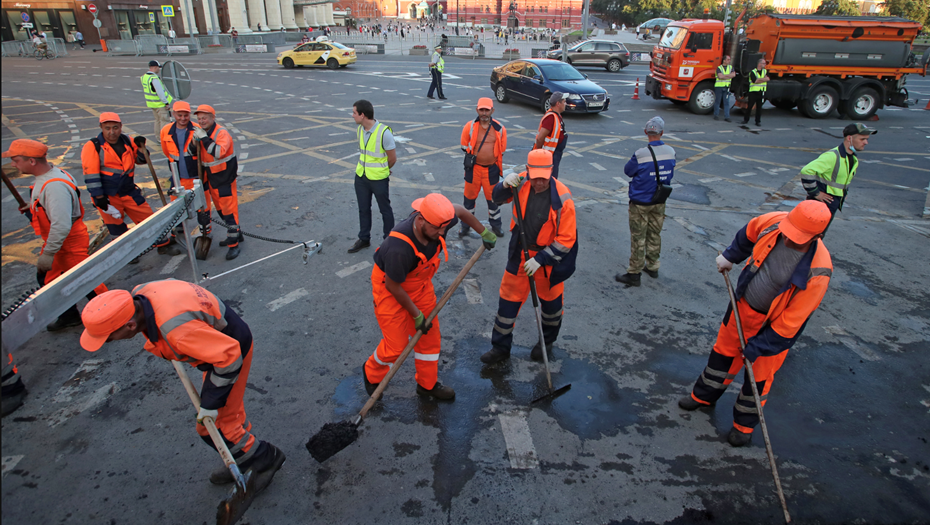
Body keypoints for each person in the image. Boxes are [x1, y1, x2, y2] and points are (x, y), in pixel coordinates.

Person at [79, 281, 286, 489]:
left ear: (130, 325)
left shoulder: (177, 330)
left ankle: (264, 459)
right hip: (219, 344)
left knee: (215, 428)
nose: (110, 341)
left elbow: (229, 359)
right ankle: (243, 457)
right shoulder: (141, 293)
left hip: (229, 353)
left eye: (109, 338)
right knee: (226, 417)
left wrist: (211, 404)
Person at [678, 201, 833, 447]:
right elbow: (747, 233)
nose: (790, 239)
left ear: (819, 236)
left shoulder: (819, 270)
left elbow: (792, 321)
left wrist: (760, 345)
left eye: (798, 238)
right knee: (722, 356)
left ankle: (743, 426)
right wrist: (730, 256)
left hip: (774, 328)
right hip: (743, 307)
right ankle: (703, 396)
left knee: (758, 377)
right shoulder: (773, 222)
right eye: (789, 232)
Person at [1, 140, 110, 416]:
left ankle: (110, 317)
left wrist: (49, 253)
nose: (13, 164)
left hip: (65, 242)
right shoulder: (47, 178)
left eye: (16, 160)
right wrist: (34, 209)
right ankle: (72, 316)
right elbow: (51, 210)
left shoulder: (55, 186)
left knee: (87, 282)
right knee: (50, 283)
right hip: (60, 240)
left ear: (32, 161)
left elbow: (61, 222)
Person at [364, 194, 497, 400]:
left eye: (444, 227)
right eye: (437, 228)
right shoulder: (399, 247)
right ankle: (372, 374)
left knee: (429, 337)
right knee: (396, 346)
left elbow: (460, 210)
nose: (442, 232)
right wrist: (416, 315)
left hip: (420, 287)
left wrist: (484, 232)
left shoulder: (438, 220)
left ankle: (427, 385)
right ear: (420, 220)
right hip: (391, 290)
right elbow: (393, 286)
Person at [481, 149, 577, 364]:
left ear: (551, 172)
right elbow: (496, 198)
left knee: (552, 308)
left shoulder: (563, 199)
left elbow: (566, 240)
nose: (539, 183)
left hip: (548, 260)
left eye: (543, 178)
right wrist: (504, 185)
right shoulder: (521, 183)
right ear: (528, 171)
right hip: (520, 253)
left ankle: (546, 344)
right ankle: (500, 348)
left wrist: (541, 259)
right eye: (535, 178)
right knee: (507, 302)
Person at [82, 112, 179, 257]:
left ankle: (163, 245)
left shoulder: (127, 140)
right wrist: (99, 197)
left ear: (120, 126)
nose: (112, 132)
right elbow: (91, 175)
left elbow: (141, 159)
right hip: (109, 196)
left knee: (148, 218)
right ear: (101, 127)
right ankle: (126, 255)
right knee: (116, 227)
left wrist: (142, 148)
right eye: (107, 128)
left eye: (115, 128)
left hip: (128, 190)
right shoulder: (93, 146)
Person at [615, 117, 676, 287]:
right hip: (659, 199)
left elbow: (628, 171)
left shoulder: (641, 154)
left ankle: (634, 273)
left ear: (646, 132)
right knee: (655, 233)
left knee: (638, 237)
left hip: (641, 201)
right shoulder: (670, 152)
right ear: (662, 133)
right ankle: (653, 266)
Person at [800, 123, 875, 235]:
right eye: (862, 139)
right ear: (849, 138)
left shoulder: (852, 158)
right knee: (810, 236)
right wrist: (815, 193)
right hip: (821, 204)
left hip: (832, 202)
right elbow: (806, 171)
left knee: (817, 236)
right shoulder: (832, 156)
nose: (866, 142)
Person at [192, 104, 242, 260]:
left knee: (228, 212)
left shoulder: (221, 133)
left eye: (204, 118)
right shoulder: (202, 133)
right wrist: (194, 142)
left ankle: (233, 244)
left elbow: (218, 152)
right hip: (213, 178)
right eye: (199, 118)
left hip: (224, 178)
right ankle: (237, 235)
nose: (201, 121)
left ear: (212, 118)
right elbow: (191, 153)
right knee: (221, 210)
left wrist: (204, 139)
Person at [349, 100, 397, 253]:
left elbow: (392, 158)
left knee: (385, 210)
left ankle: (388, 240)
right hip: (361, 177)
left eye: (354, 113)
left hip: (378, 179)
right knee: (363, 209)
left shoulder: (384, 133)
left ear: (363, 115)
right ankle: (364, 238)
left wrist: (384, 169)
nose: (352, 116)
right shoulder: (360, 130)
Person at [459, 97, 507, 238]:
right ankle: (465, 226)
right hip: (473, 169)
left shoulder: (499, 128)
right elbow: (463, 145)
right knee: (468, 200)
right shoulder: (470, 126)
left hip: (491, 170)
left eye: (487, 110)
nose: (484, 113)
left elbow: (502, 149)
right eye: (482, 110)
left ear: (492, 110)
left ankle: (496, 226)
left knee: (493, 201)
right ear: (477, 110)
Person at [533, 92, 568, 179]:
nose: (566, 104)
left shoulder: (556, 115)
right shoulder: (551, 117)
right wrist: (540, 153)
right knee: (550, 179)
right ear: (558, 104)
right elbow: (540, 138)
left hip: (553, 154)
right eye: (564, 101)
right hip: (549, 155)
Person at [141, 60, 174, 143]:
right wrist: (166, 103)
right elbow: (160, 92)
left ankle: (158, 138)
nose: (159, 70)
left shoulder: (144, 77)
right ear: (155, 67)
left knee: (157, 121)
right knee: (164, 121)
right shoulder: (154, 78)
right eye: (158, 68)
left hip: (152, 103)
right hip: (160, 104)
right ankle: (164, 138)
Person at [742, 58, 769, 127]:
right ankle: (746, 120)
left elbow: (768, 79)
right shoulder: (753, 72)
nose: (765, 65)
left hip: (761, 91)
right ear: (759, 64)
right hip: (753, 92)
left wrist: (759, 79)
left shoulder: (765, 71)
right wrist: (763, 79)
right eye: (764, 63)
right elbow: (755, 81)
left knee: (759, 108)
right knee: (750, 107)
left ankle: (758, 121)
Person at [714, 55, 735, 122]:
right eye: (728, 59)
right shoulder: (719, 68)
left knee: (726, 102)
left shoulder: (731, 67)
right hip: (719, 87)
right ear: (724, 60)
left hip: (726, 87)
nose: (729, 61)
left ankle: (727, 117)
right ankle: (716, 115)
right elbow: (720, 76)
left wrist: (724, 76)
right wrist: (729, 76)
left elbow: (733, 75)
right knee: (718, 101)